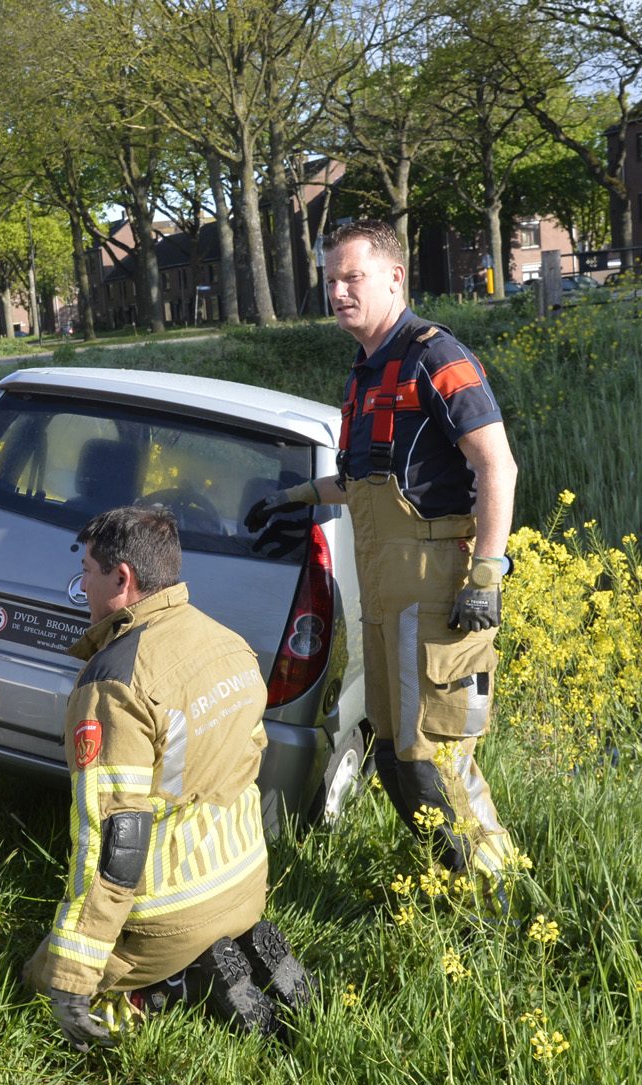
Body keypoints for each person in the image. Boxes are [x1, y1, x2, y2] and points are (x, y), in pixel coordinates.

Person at [246, 218, 518, 881]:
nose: (338, 291)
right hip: (383, 587)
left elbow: (497, 467)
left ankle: (496, 894)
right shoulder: (366, 373)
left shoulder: (436, 356)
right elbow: (367, 482)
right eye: (330, 279)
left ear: (394, 277)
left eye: (352, 277)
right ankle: (443, 880)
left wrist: (486, 571)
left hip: (435, 588)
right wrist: (298, 498)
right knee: (395, 755)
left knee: (437, 756)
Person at [22, 505, 313, 1048]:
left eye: (87, 571)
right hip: (246, 882)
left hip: (166, 914)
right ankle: (232, 947)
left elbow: (113, 841)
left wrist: (70, 976)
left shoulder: (115, 684)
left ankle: (170, 984)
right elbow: (248, 766)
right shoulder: (230, 643)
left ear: (123, 578)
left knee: (34, 991)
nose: (80, 585)